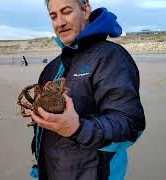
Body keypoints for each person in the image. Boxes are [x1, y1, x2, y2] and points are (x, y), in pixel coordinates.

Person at [30, 0, 146, 179]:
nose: (60, 22)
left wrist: (77, 128)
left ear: (85, 11)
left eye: (66, 12)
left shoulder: (110, 57)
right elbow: (42, 133)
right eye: (53, 16)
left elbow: (130, 126)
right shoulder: (52, 68)